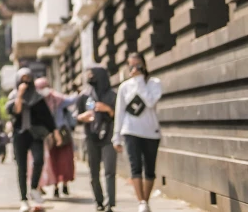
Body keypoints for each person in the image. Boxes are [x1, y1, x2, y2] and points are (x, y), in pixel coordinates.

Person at [113, 53, 163, 212]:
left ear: (144, 65)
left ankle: (146, 201)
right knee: (135, 166)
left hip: (150, 131)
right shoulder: (124, 87)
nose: (134, 68)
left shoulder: (153, 83)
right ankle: (141, 202)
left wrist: (140, 81)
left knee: (150, 168)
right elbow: (119, 112)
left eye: (138, 65)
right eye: (131, 65)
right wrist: (117, 137)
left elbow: (150, 102)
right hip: (130, 130)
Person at [6, 68, 59, 212]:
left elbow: (48, 117)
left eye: (28, 78)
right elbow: (16, 111)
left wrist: (55, 133)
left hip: (35, 134)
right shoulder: (13, 96)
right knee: (21, 167)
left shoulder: (38, 97)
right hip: (20, 135)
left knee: (39, 160)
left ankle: (34, 187)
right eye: (22, 78)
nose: (26, 81)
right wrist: (20, 95)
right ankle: (23, 199)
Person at [78, 65, 118, 212]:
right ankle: (98, 201)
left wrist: (107, 110)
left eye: (92, 75)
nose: (89, 78)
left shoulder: (112, 96)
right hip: (91, 136)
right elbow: (77, 116)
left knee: (109, 170)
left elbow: (119, 116)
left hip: (109, 136)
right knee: (94, 172)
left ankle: (110, 203)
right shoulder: (85, 96)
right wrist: (84, 117)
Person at [35, 78, 78, 198]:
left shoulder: (57, 98)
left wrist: (78, 92)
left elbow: (72, 100)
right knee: (53, 162)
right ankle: (56, 186)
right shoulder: (38, 101)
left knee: (64, 161)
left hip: (60, 135)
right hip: (49, 136)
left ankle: (63, 185)